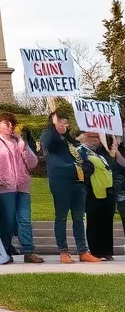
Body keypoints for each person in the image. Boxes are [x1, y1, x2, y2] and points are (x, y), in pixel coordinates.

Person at [0, 111, 41, 263]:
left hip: (22, 185)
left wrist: (24, 148)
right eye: (6, 123)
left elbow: (33, 163)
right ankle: (4, 251)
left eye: (12, 123)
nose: (10, 126)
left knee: (24, 219)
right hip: (3, 187)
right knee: (7, 219)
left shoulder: (19, 141)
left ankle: (28, 251)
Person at [41, 110, 98, 263]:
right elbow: (50, 145)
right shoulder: (48, 136)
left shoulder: (71, 141)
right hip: (60, 181)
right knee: (61, 217)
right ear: (53, 122)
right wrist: (54, 126)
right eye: (60, 122)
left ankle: (83, 251)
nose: (64, 125)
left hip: (78, 182)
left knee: (79, 217)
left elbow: (83, 156)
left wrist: (87, 167)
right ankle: (64, 252)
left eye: (66, 123)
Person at [81, 132, 116, 261]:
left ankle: (106, 250)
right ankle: (95, 251)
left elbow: (110, 164)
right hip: (92, 190)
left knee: (107, 220)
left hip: (107, 189)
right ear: (84, 137)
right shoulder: (81, 151)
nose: (95, 139)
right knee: (94, 221)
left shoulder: (103, 151)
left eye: (97, 137)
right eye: (92, 137)